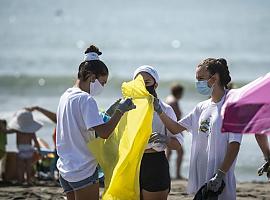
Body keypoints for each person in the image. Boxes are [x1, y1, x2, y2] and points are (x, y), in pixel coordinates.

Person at [153, 58, 242, 200]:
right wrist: (159, 111)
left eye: (201, 78)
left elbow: (234, 145)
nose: (197, 83)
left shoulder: (231, 108)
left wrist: (220, 174)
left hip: (220, 180)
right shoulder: (201, 107)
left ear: (214, 79)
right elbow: (176, 128)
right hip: (201, 177)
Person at [56, 45, 135, 200]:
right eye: (103, 82)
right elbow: (104, 133)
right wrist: (120, 111)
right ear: (92, 77)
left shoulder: (66, 96)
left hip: (65, 168)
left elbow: (79, 126)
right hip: (82, 169)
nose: (103, 87)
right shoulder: (86, 99)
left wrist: (109, 114)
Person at [133, 65, 184, 200]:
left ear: (155, 85)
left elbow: (178, 144)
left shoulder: (166, 109)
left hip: (155, 163)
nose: (143, 86)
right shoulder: (127, 108)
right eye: (139, 82)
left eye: (147, 82)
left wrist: (165, 139)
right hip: (132, 164)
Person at [7, 109, 42, 185]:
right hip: (29, 149)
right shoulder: (31, 131)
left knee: (20, 167)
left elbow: (7, 131)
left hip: (21, 150)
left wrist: (2, 127)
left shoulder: (18, 130)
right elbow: (35, 141)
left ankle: (21, 180)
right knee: (28, 166)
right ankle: (28, 180)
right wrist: (39, 151)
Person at [25, 106, 58, 179]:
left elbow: (56, 118)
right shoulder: (66, 122)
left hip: (60, 151)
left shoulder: (63, 121)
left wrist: (38, 109)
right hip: (59, 150)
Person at [165, 83, 185, 179]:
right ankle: (177, 174)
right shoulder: (174, 102)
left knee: (168, 152)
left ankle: (166, 173)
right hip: (173, 130)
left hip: (168, 129)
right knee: (180, 152)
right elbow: (175, 118)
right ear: (179, 92)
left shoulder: (169, 99)